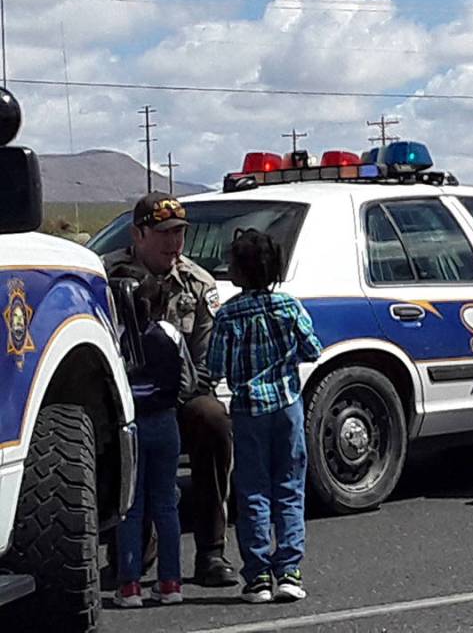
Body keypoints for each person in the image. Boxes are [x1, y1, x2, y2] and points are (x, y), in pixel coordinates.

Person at [103, 192, 238, 587]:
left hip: (179, 394)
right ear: (138, 234)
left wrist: (169, 398)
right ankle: (132, 550)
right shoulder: (106, 276)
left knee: (212, 418)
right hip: (122, 397)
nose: (173, 243)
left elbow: (204, 362)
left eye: (179, 233)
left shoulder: (197, 283)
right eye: (163, 233)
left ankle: (211, 551)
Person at [207, 229, 323, 603]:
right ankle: (289, 570)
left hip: (248, 410)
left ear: (238, 272)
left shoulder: (227, 315)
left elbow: (216, 367)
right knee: (289, 486)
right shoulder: (288, 307)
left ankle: (257, 577)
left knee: (253, 489)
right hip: (287, 404)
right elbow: (313, 349)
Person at [113, 310, 192, 608]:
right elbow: (187, 381)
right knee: (166, 504)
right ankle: (171, 582)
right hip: (165, 421)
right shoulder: (169, 332)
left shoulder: (115, 333)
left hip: (131, 421)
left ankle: (130, 585)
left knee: (131, 506)